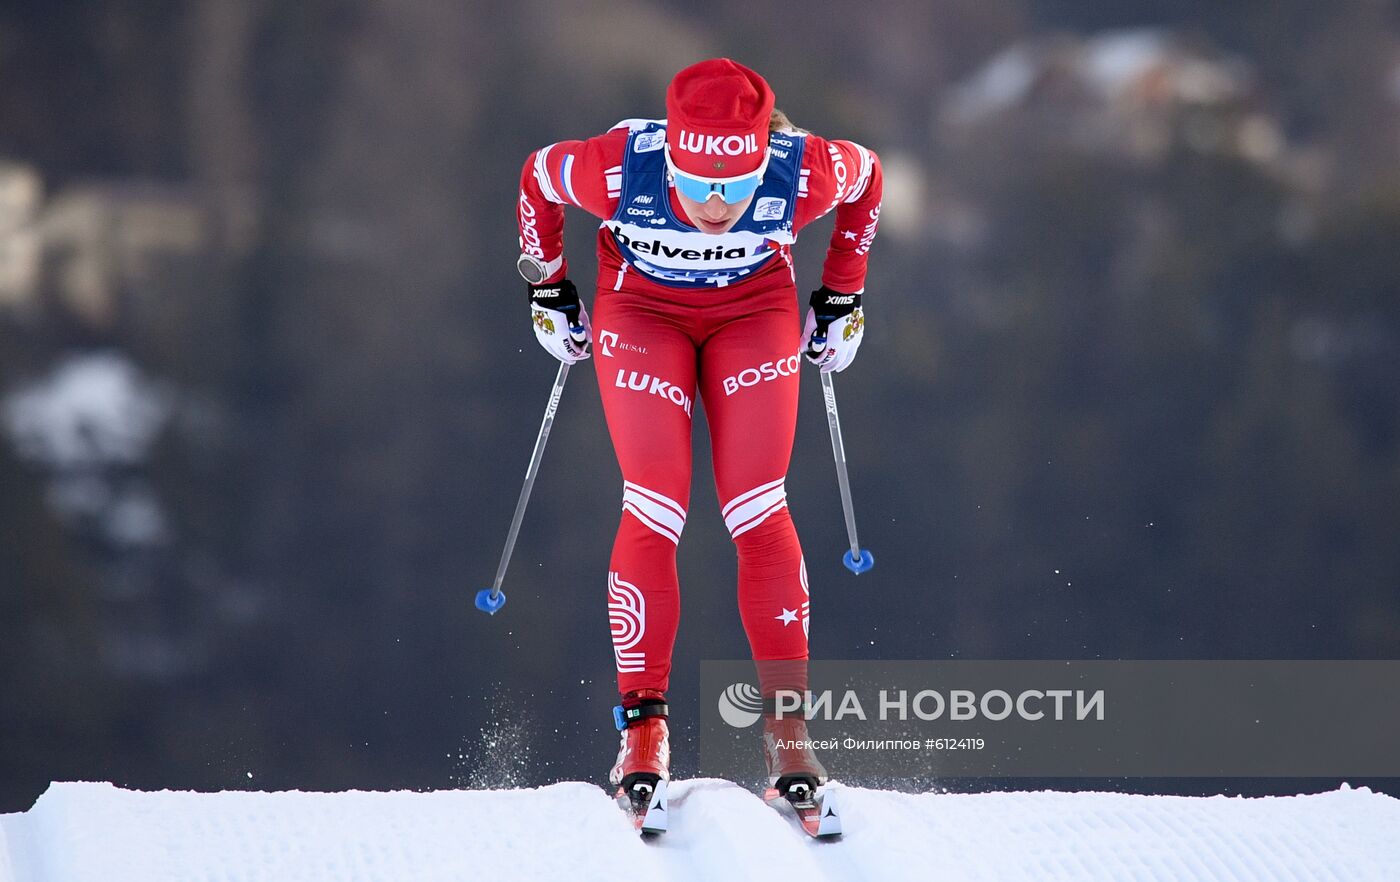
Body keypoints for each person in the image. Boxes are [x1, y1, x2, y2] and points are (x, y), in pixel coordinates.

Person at [515, 58, 881, 813]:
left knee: (756, 502)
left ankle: (788, 733)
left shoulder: (801, 170)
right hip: (641, 312)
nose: (717, 205)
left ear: (762, 166)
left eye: (738, 187)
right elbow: (537, 179)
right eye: (699, 183)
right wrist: (548, 286)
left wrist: (843, 292)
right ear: (672, 158)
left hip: (754, 313)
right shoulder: (616, 169)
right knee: (655, 503)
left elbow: (869, 178)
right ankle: (643, 729)